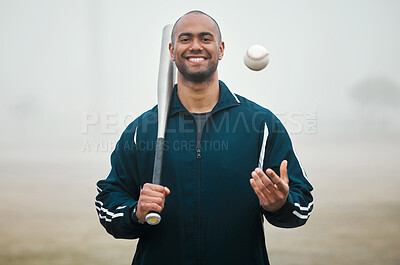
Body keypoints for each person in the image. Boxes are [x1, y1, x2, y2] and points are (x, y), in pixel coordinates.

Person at [95, 10, 314, 265]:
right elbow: (108, 201)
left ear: (221, 49)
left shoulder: (260, 125)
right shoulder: (141, 131)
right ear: (171, 50)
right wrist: (136, 213)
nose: (195, 46)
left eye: (205, 38)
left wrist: (281, 204)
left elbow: (302, 203)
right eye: (185, 39)